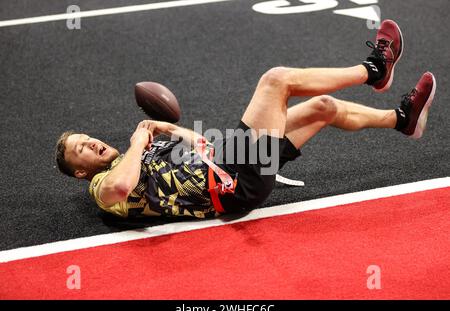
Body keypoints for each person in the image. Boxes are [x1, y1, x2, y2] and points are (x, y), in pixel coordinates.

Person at [55, 20, 436, 219]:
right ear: (80, 172)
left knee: (323, 106)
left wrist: (170, 130)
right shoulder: (102, 185)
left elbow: (203, 144)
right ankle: (374, 69)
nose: (89, 142)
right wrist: (139, 142)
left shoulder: (144, 156)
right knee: (276, 80)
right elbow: (121, 189)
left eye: (85, 138)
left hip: (229, 158)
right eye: (80, 150)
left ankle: (402, 119)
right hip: (231, 185)